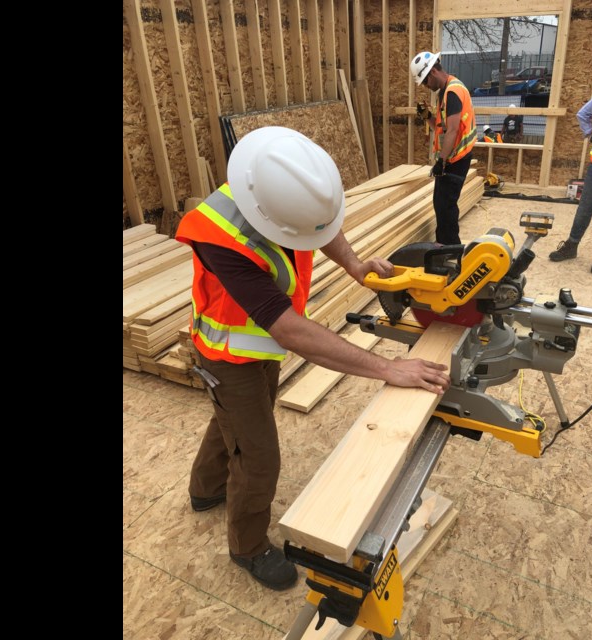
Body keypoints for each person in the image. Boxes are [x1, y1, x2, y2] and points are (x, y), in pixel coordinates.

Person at [175, 127, 451, 592]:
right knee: (259, 454)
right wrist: (386, 368)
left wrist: (355, 263)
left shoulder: (272, 185)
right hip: (226, 351)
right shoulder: (217, 236)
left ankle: (205, 491)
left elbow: (317, 226)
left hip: (254, 346)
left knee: (234, 421)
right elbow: (287, 328)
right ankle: (247, 547)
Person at [410, 51, 476, 246]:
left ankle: (451, 248)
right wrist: (427, 116)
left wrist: (442, 161)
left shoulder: (453, 92)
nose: (425, 86)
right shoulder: (445, 92)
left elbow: (453, 130)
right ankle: (444, 245)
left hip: (455, 160)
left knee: (446, 206)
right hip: (452, 159)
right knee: (441, 204)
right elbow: (442, 127)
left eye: (424, 82)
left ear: (431, 73)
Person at [549, 91, 592, 274]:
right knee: (585, 208)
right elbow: (583, 114)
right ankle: (572, 245)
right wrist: (591, 133)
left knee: (585, 208)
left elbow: (583, 114)